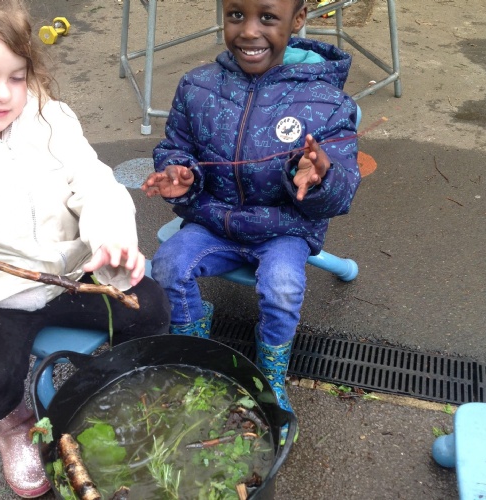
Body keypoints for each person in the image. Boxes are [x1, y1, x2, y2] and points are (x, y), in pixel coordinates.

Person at [142, 0, 360, 444]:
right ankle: (197, 355)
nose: (248, 31)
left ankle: (269, 375)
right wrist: (180, 173)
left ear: (299, 19)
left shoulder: (329, 102)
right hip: (213, 220)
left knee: (282, 285)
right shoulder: (197, 86)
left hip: (284, 228)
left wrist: (320, 176)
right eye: (236, 15)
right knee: (167, 264)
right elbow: (175, 146)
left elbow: (342, 191)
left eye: (268, 17)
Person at [0, 0, 170, 497]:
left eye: (16, 77)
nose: (2, 94)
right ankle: (12, 421)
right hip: (1, 293)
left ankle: (125, 389)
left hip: (74, 271)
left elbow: (94, 183)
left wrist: (111, 237)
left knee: (152, 307)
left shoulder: (52, 120)